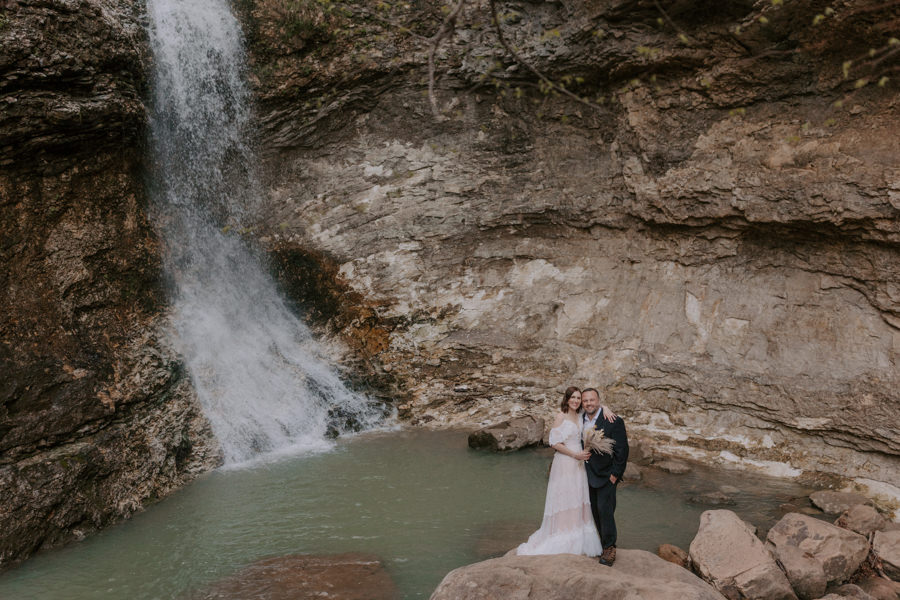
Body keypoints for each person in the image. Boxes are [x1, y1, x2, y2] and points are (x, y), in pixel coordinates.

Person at [516, 387, 614, 557]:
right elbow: (554, 442)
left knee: (578, 497)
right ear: (567, 399)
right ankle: (562, 535)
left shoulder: (581, 414)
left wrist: (605, 408)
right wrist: (575, 455)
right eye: (573, 398)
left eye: (578, 398)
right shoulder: (561, 416)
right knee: (565, 497)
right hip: (566, 461)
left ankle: (578, 537)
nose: (576, 401)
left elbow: (594, 406)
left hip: (581, 464)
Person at [581, 387, 629, 566]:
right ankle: (601, 544)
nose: (588, 403)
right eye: (585, 401)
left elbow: (622, 450)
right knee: (594, 511)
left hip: (606, 475)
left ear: (598, 400)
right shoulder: (581, 419)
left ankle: (610, 548)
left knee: (605, 511)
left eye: (592, 400)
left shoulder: (613, 421)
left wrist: (615, 475)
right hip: (586, 474)